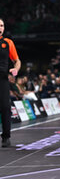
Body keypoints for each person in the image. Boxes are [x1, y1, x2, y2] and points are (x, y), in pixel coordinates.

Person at [0, 18, 21, 147]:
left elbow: (17, 60)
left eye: (2, 25)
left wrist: (16, 69)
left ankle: (6, 137)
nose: (0, 28)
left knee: (5, 107)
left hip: (2, 79)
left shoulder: (8, 43)